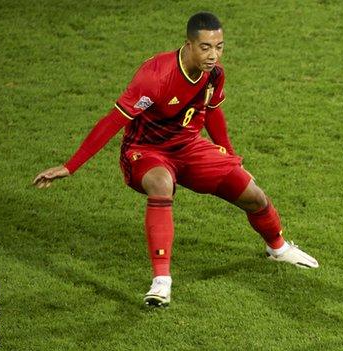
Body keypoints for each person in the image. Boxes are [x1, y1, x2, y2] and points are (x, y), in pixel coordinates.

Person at [33, 12, 319, 307]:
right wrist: (71, 165)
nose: (214, 55)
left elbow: (214, 112)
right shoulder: (155, 76)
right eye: (206, 47)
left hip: (189, 147)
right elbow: (113, 120)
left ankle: (279, 248)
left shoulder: (215, 74)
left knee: (253, 195)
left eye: (219, 46)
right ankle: (161, 281)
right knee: (161, 184)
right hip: (146, 151)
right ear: (189, 45)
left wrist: (231, 157)